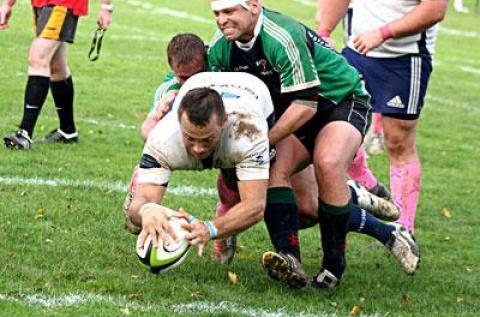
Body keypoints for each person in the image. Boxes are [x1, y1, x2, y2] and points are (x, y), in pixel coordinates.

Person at [208, 0, 419, 289]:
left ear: (254, 6)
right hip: (294, 112)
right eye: (217, 13)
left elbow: (306, 104)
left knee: (328, 163)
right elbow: (197, 80)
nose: (222, 19)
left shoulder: (282, 35)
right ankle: (291, 259)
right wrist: (168, 95)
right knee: (297, 198)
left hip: (339, 101)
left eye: (229, 11)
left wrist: (261, 141)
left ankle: (333, 266)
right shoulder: (222, 46)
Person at [316, 0, 448, 232]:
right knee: (333, 124)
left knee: (398, 142)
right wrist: (324, 32)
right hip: (356, 52)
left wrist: (383, 33)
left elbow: (434, 10)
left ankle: (403, 228)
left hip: (405, 59)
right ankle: (367, 182)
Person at [127, 72, 273, 254]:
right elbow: (141, 205)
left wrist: (210, 228)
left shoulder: (249, 134)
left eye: (206, 139)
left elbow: (255, 206)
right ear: (179, 122)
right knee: (135, 222)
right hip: (200, 83)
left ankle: (226, 229)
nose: (198, 149)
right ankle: (142, 177)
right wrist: (147, 209)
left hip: (255, 93)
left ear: (224, 122)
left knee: (301, 206)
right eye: (190, 138)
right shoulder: (162, 138)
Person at [1, 0, 113, 149]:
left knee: (38, 57)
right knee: (57, 66)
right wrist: (8, 4)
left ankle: (24, 132)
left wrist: (106, 7)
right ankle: (68, 131)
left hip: (63, 3)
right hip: (41, 3)